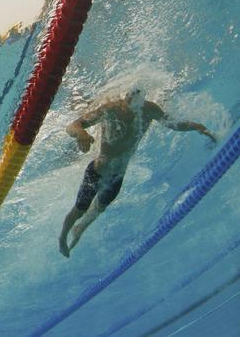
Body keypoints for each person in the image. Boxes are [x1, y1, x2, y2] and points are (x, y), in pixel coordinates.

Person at [59, 87, 217, 258]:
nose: (130, 107)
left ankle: (79, 229)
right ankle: (62, 237)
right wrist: (81, 134)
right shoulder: (110, 109)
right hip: (98, 171)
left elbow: (175, 124)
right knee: (80, 209)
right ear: (124, 97)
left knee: (99, 208)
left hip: (118, 175)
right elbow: (73, 125)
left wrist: (197, 126)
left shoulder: (149, 110)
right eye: (128, 100)